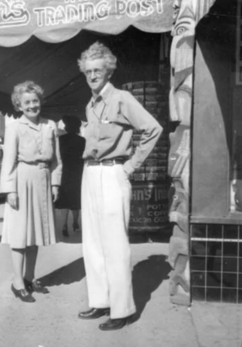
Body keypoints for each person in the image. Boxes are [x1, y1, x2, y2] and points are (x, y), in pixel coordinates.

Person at [77, 42, 163, 331]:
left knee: (114, 243)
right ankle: (100, 301)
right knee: (93, 243)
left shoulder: (122, 98)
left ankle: (122, 309)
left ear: (108, 70)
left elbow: (153, 129)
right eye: (88, 71)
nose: (92, 75)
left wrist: (130, 166)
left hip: (113, 173)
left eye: (97, 70)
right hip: (90, 174)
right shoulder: (91, 105)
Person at [0, 81, 62, 303]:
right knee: (19, 233)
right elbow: (8, 161)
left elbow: (56, 160)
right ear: (19, 105)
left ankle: (29, 277)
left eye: (35, 101)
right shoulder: (14, 127)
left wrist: (55, 183)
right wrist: (9, 190)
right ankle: (17, 282)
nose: (32, 105)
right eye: (27, 102)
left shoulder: (50, 125)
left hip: (42, 180)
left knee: (35, 233)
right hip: (21, 180)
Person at [54, 115, 86, 237]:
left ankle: (64, 225)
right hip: (77, 173)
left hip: (64, 172)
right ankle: (75, 221)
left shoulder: (60, 140)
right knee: (75, 201)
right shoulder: (82, 141)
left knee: (64, 201)